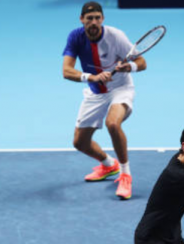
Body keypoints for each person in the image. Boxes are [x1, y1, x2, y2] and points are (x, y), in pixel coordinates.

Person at [62, 1, 146, 200]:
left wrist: (129, 67)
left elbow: (141, 62)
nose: (94, 22)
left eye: (97, 18)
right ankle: (109, 165)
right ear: (82, 20)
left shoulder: (116, 36)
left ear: (102, 19)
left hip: (120, 88)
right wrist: (91, 77)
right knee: (80, 143)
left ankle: (125, 175)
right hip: (95, 91)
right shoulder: (75, 37)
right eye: (89, 18)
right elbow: (66, 71)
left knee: (113, 123)